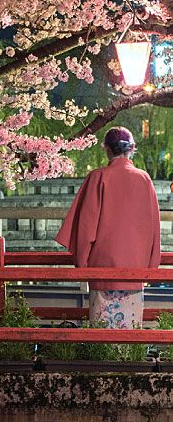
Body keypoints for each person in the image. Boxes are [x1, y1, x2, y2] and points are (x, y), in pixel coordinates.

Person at [55, 126, 161, 328]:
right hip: (135, 270)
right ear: (131, 148)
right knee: (130, 333)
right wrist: (151, 266)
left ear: (107, 149)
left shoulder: (98, 177)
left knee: (103, 334)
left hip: (102, 268)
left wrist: (82, 264)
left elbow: (87, 226)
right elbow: (154, 226)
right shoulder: (144, 178)